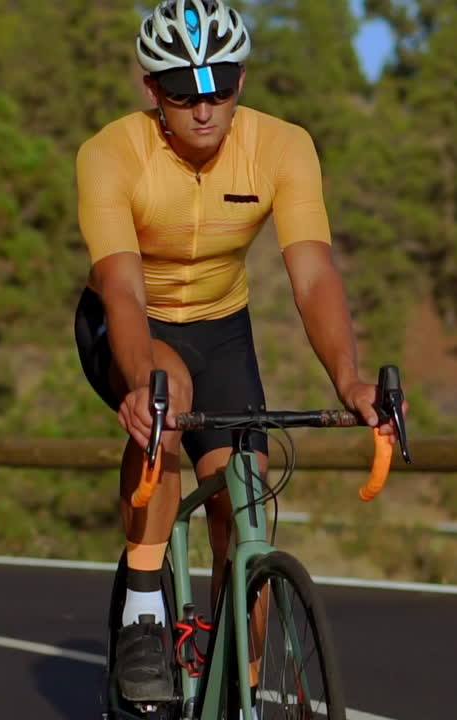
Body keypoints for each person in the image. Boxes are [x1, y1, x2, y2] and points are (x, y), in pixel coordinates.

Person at [73, 0, 396, 704]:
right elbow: (122, 291)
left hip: (222, 326)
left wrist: (349, 381)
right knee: (167, 391)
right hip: (128, 324)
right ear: (152, 89)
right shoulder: (110, 154)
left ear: (242, 79)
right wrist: (138, 384)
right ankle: (140, 604)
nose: (203, 106)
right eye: (183, 89)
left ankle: (239, 683)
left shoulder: (283, 146)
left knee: (243, 493)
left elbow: (312, 275)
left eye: (219, 83)